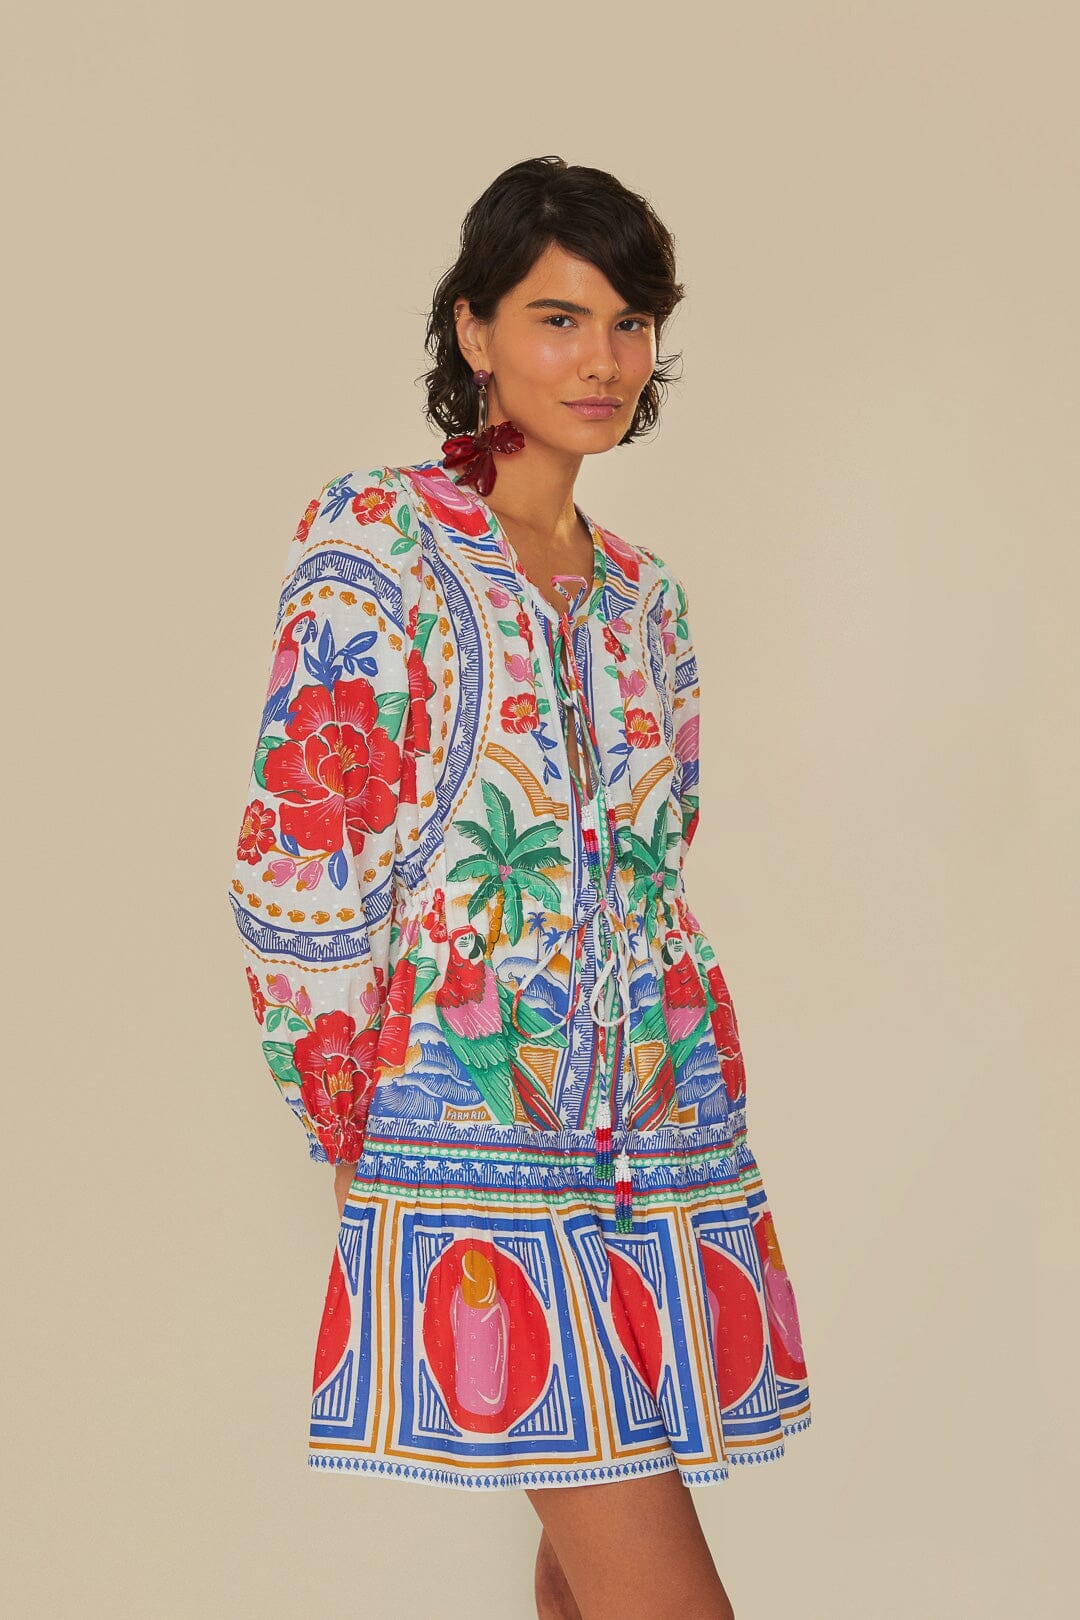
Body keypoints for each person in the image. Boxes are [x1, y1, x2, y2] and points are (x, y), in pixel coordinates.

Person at [228, 155, 811, 1620]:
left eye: (629, 323)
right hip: (472, 1125)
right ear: (475, 329)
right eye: (560, 318)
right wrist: (341, 1111)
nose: (602, 359)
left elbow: (661, 855)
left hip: (662, 1131)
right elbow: (305, 848)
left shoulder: (645, 592)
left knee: (589, 1572)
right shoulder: (380, 536)